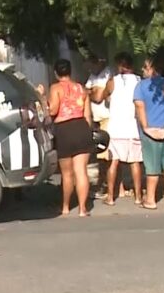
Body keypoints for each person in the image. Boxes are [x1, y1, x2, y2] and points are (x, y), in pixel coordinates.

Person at [133, 56, 164, 210]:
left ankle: (150, 199)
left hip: (150, 132)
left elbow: (140, 107)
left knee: (152, 168)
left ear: (152, 68)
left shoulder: (140, 86)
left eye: (145, 67)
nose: (142, 70)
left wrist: (146, 127)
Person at [46, 59, 93, 217]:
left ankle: (65, 207)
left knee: (67, 174)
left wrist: (43, 99)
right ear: (70, 71)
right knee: (81, 171)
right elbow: (88, 116)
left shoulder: (56, 88)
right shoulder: (81, 89)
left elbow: (53, 110)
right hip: (81, 128)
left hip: (64, 130)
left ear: (56, 73)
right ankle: (82, 208)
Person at [103, 53, 143, 206]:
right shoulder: (140, 81)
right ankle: (138, 197)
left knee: (113, 162)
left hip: (116, 128)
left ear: (120, 65)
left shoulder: (113, 81)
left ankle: (110, 197)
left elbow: (103, 96)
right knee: (135, 163)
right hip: (133, 127)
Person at [84, 55, 112, 198]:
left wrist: (92, 92)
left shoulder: (106, 74)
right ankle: (102, 183)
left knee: (105, 155)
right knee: (98, 155)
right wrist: (91, 91)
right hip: (96, 119)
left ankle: (106, 184)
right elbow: (86, 92)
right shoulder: (93, 76)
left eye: (91, 65)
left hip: (106, 118)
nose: (90, 68)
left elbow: (98, 96)